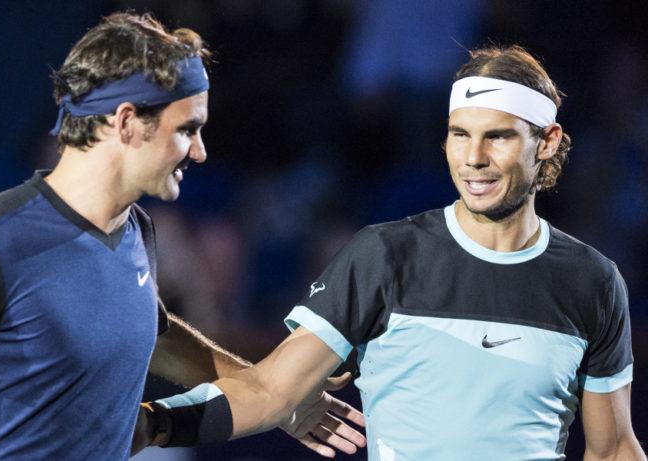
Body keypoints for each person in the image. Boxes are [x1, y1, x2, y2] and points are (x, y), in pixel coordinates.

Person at [0, 12, 365, 460]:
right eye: (187, 129)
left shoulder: (136, 231)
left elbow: (149, 333)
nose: (198, 152)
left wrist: (272, 394)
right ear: (128, 121)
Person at [135, 46, 646, 461]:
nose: (473, 159)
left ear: (548, 142)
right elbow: (271, 391)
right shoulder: (383, 256)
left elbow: (613, 448)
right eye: (459, 135)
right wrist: (152, 424)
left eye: (498, 137)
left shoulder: (593, 282)